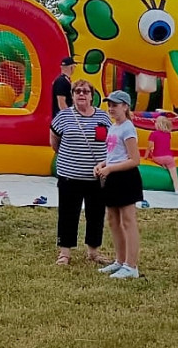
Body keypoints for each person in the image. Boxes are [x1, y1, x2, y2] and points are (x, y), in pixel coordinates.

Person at [49, 79, 112, 266]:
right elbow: (54, 141)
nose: (81, 94)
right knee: (68, 214)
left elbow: (111, 144)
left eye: (85, 91)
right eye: (77, 91)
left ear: (92, 95)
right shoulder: (63, 117)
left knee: (96, 214)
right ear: (72, 95)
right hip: (70, 176)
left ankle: (93, 252)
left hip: (97, 178)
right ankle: (64, 254)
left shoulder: (103, 117)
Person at [95, 90, 143, 279]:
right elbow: (114, 154)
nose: (111, 108)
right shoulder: (114, 127)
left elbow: (134, 159)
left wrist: (111, 169)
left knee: (128, 220)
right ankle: (120, 261)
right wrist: (102, 164)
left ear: (125, 106)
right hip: (113, 175)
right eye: (110, 105)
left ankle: (131, 266)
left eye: (115, 105)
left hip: (126, 177)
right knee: (113, 220)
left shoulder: (128, 128)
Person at [146, 116, 178, 194]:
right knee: (174, 174)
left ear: (158, 125)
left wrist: (146, 156)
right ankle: (177, 189)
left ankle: (163, 165)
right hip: (169, 158)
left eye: (156, 122)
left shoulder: (153, 134)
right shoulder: (168, 134)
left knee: (152, 152)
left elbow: (149, 147)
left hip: (158, 157)